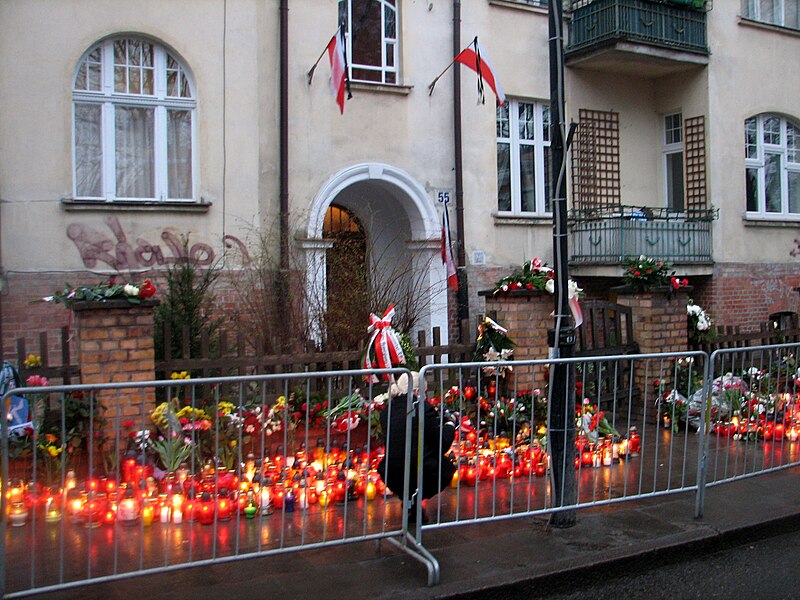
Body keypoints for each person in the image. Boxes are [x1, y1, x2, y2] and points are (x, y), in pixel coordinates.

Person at [377, 371, 457, 523]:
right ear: (417, 392)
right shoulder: (422, 409)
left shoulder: (387, 411)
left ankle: (411, 503)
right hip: (419, 471)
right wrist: (450, 424)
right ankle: (415, 501)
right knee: (444, 466)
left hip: (391, 471)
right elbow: (441, 444)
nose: (426, 397)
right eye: (425, 393)